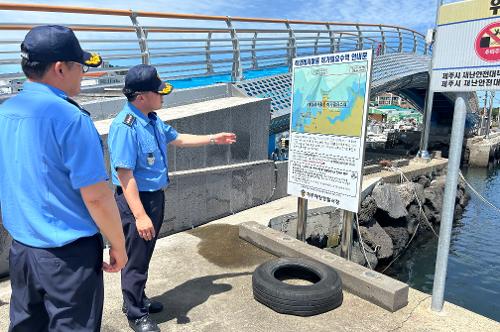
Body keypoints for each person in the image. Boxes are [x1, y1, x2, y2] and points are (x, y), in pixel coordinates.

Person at [0, 25, 128, 331]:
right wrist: (119, 245)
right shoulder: (71, 119)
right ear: (60, 68)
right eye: (79, 66)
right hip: (67, 258)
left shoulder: (7, 110)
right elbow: (97, 196)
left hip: (21, 249)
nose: (82, 73)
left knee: (26, 325)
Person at [107, 64, 236, 332]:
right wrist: (140, 215)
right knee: (135, 259)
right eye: (159, 91)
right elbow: (125, 175)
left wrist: (214, 138)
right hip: (136, 202)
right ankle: (135, 313)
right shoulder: (126, 126)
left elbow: (178, 139)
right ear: (141, 96)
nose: (164, 95)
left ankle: (137, 298)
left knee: (144, 255)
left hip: (154, 198)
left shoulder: (152, 119)